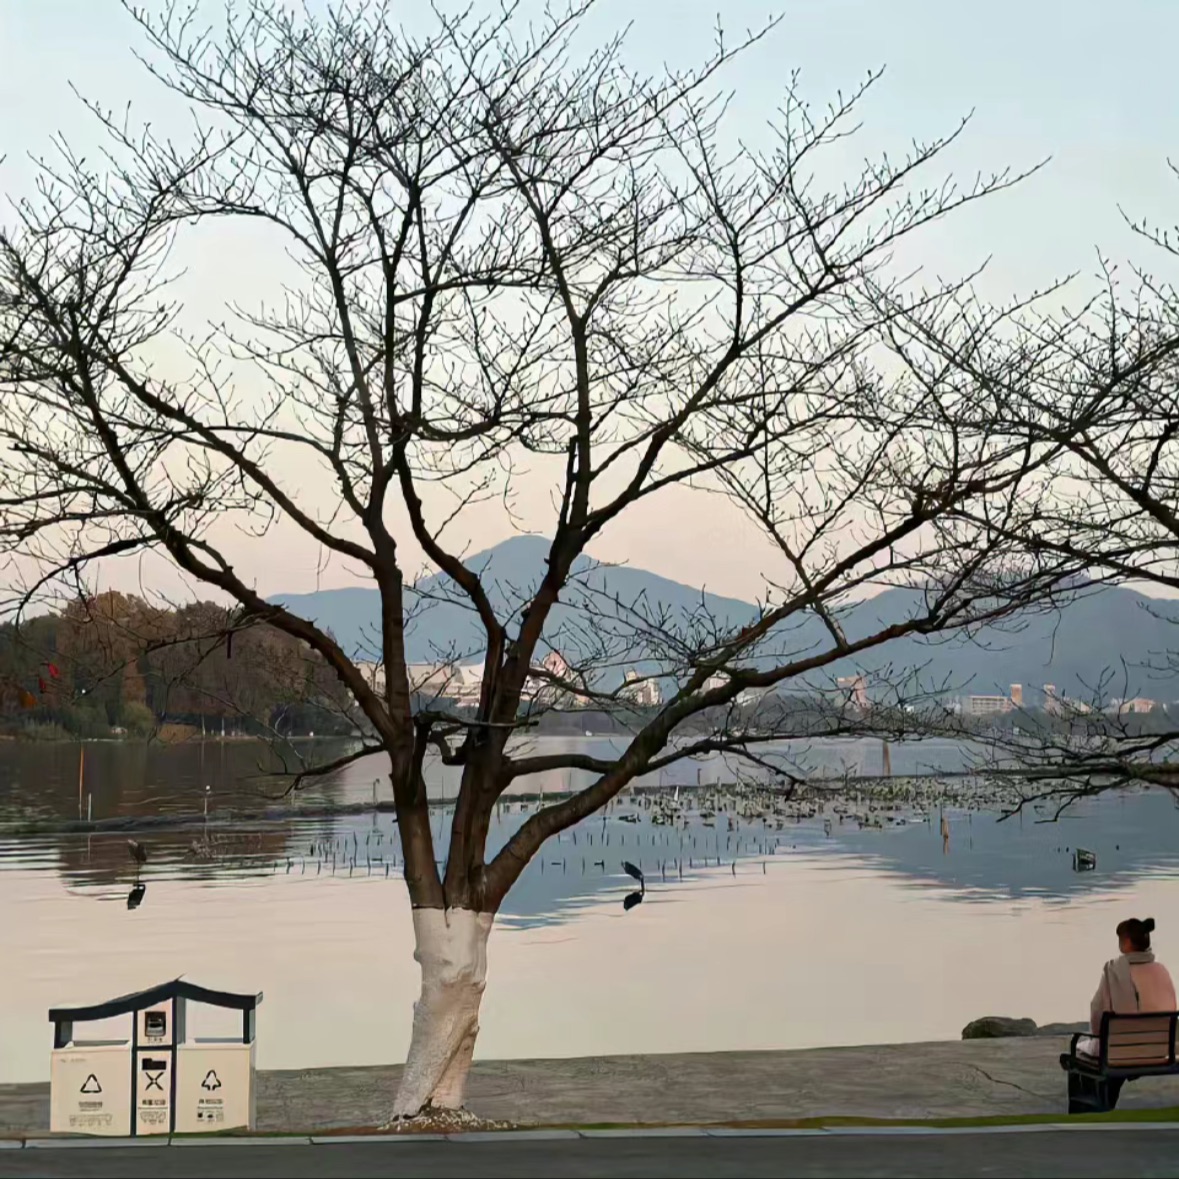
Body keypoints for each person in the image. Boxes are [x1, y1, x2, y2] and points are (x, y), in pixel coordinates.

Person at [1076, 917, 1176, 1060]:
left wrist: (1096, 1036)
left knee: (1081, 1050)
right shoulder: (1162, 971)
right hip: (1159, 1049)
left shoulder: (1112, 970)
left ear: (1127, 942)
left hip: (1119, 1050)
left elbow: (1096, 1011)